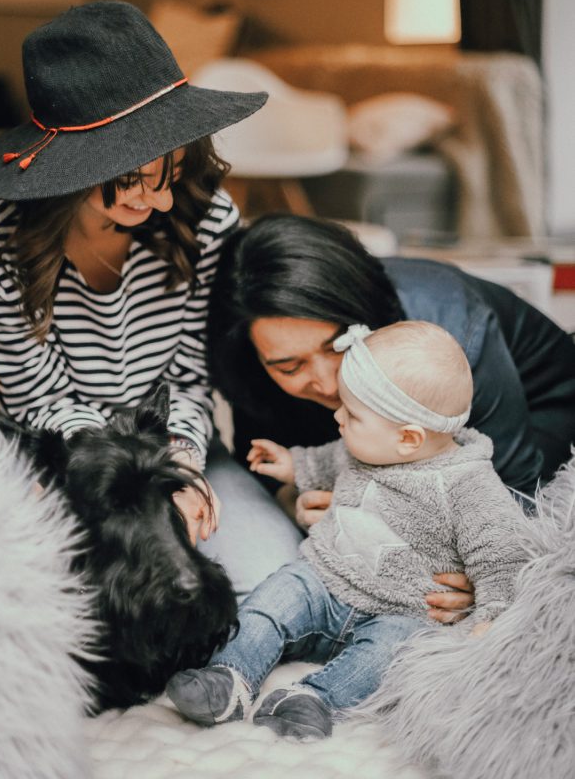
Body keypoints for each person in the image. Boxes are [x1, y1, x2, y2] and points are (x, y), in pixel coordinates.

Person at [0, 0, 300, 587]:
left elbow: (191, 378)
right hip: (52, 449)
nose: (163, 200)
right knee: (56, 592)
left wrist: (182, 471)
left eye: (171, 169)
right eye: (133, 181)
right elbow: (41, 402)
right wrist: (143, 494)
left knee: (273, 571)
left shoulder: (206, 217)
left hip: (175, 443)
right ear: (73, 171)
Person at [167, 320, 527, 741]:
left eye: (352, 414)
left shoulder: (469, 486)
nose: (337, 416)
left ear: (408, 439)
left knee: (391, 655)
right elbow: (328, 459)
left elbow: (503, 556)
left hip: (401, 609)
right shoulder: (369, 443)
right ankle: (229, 678)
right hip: (323, 581)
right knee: (272, 600)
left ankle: (314, 701)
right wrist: (293, 464)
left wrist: (490, 617)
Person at [206, 213, 575, 616]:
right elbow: (264, 464)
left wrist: (472, 579)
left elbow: (515, 495)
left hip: (545, 409)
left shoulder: (452, 338)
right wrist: (294, 498)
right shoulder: (250, 367)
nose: (328, 383)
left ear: (360, 313)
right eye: (289, 367)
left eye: (337, 346)